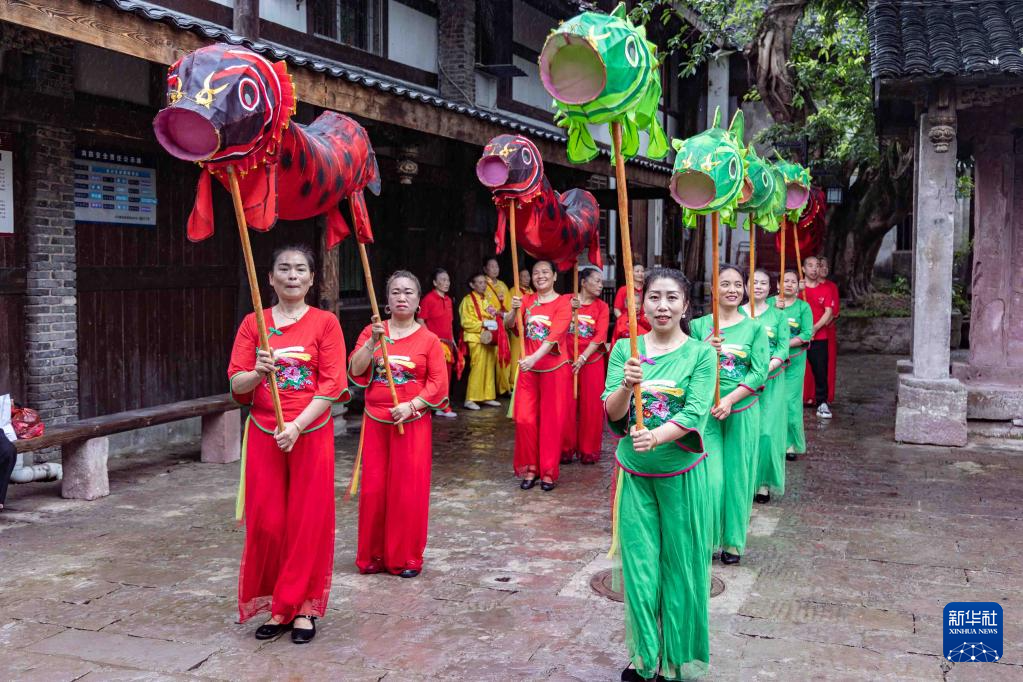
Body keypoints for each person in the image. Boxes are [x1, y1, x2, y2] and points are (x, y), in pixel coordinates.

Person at [228, 244, 349, 644]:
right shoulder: (254, 323)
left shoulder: (325, 323)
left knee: (306, 521)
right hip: (265, 432)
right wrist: (257, 372)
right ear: (270, 278)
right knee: (268, 522)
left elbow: (332, 384)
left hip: (309, 431)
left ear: (312, 279)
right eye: (284, 268)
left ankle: (303, 607)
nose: (292, 275)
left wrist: (297, 425)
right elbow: (237, 385)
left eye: (300, 269)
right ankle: (278, 603)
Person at [602, 268, 716, 682]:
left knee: (680, 568)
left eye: (671, 298)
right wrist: (625, 384)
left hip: (681, 476)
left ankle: (673, 660)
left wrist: (656, 437)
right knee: (640, 570)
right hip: (634, 476)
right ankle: (645, 658)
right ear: (642, 304)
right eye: (654, 297)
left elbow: (695, 412)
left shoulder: (701, 354)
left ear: (685, 306)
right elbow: (612, 410)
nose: (662, 306)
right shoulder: (624, 349)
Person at [348, 271, 450, 578]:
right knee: (374, 489)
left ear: (418, 302)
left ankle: (406, 557)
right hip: (376, 421)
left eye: (408, 292)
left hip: (412, 421)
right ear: (387, 300)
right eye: (395, 292)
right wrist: (372, 343)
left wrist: (412, 405)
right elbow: (355, 369)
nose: (401, 297)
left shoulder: (429, 340)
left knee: (407, 489)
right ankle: (373, 555)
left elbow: (438, 383)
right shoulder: (372, 332)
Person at [690, 265, 769, 565]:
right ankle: (708, 537)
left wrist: (731, 400)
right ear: (713, 289)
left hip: (742, 410)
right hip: (707, 412)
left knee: (738, 477)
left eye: (738, 284)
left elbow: (759, 372)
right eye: (725, 284)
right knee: (711, 478)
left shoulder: (754, 328)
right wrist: (703, 349)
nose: (732, 289)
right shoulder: (699, 327)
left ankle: (733, 542)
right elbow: (686, 365)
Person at [507, 260, 572, 491]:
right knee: (525, 419)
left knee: (550, 422)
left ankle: (548, 472)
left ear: (554, 276)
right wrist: (512, 310)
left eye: (545, 272)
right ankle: (530, 468)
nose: (540, 276)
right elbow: (510, 325)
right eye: (536, 272)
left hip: (554, 369)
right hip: (529, 370)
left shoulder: (563, 303)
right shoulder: (526, 300)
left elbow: (554, 336)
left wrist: (534, 358)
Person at [741, 270, 790, 504]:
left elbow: (783, 347)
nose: (758, 286)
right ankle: (744, 481)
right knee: (745, 432)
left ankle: (762, 483)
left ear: (770, 288)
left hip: (771, 380)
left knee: (766, 433)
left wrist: (767, 368)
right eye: (754, 282)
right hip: (742, 382)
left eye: (763, 283)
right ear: (746, 287)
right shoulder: (737, 314)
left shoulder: (779, 316)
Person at [567, 267, 610, 464]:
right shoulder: (567, 301)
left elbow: (600, 335)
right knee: (567, 405)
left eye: (602, 281)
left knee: (591, 406)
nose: (601, 285)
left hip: (591, 360)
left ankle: (588, 450)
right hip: (567, 360)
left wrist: (583, 357)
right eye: (597, 281)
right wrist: (569, 309)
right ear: (583, 282)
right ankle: (565, 448)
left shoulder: (602, 307)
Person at [769, 270, 813, 461]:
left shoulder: (803, 307)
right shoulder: (769, 304)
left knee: (789, 402)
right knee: (771, 400)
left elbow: (807, 334)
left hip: (794, 360)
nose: (789, 284)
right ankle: (770, 441)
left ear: (798, 286)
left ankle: (790, 444)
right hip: (770, 361)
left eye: (793, 282)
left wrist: (784, 345)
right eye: (785, 281)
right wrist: (773, 310)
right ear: (778, 285)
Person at [459, 273, 504, 411]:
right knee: (477, 367)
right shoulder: (467, 300)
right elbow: (466, 322)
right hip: (475, 337)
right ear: (472, 285)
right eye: (479, 282)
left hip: (488, 337)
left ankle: (487, 396)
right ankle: (470, 398)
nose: (483, 285)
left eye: (484, 282)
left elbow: (493, 314)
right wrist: (483, 323)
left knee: (489, 366)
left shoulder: (485, 300)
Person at [417, 268, 458, 418]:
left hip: (447, 344)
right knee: (436, 376)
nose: (446, 283)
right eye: (442, 280)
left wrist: (453, 341)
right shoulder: (428, 299)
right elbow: (420, 320)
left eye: (448, 280)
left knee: (447, 376)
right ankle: (441, 406)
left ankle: (441, 405)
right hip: (435, 343)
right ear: (435, 282)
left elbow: (450, 323)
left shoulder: (448, 300)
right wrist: (432, 340)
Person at [800, 256, 836, 419]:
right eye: (810, 265)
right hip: (798, 337)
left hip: (819, 336)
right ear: (803, 269)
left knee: (821, 371)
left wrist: (814, 328)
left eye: (817, 265)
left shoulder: (826, 289)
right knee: (794, 370)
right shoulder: (797, 288)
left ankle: (822, 403)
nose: (814, 269)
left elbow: (828, 312)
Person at [808, 256, 840, 405]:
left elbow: (832, 312)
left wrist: (816, 328)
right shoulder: (804, 287)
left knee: (824, 366)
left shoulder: (830, 287)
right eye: (820, 265)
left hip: (825, 331)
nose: (824, 268)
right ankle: (808, 396)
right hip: (807, 332)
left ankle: (823, 398)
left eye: (826, 266)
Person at [484, 257, 513, 396]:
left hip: (501, 323)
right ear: (485, 269)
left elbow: (508, 307)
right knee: (490, 359)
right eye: (491, 266)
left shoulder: (503, 286)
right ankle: (489, 392)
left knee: (504, 354)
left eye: (497, 266)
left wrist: (505, 315)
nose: (495, 269)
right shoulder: (482, 283)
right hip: (488, 325)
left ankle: (504, 387)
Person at [509, 267, 535, 386]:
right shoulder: (514, 291)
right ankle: (513, 382)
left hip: (530, 328)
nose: (526, 278)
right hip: (517, 327)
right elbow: (510, 311)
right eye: (523, 276)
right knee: (516, 354)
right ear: (518, 278)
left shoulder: (532, 292)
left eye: (528, 276)